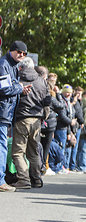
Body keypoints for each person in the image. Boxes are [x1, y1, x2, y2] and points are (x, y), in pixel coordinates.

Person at [11, 56, 51, 189]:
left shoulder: (16, 78)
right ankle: (36, 178)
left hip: (21, 118)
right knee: (33, 151)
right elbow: (47, 102)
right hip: (36, 120)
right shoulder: (41, 81)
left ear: (21, 66)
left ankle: (23, 179)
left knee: (18, 152)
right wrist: (43, 116)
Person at [0, 41, 31, 192]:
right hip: (2, 112)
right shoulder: (4, 64)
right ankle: (0, 181)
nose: (21, 55)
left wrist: (20, 89)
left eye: (24, 53)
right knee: (2, 146)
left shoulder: (12, 66)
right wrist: (19, 87)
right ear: (11, 50)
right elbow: (5, 90)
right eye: (19, 52)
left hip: (6, 112)